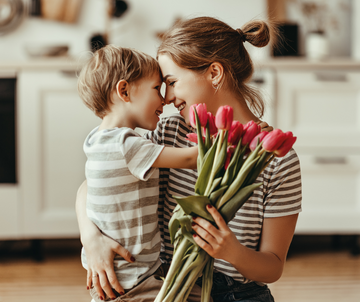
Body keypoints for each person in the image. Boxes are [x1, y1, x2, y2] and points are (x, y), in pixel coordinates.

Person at [76, 17, 302, 302]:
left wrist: (231, 250)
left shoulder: (276, 159)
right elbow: (95, 182)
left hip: (236, 294)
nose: (167, 98)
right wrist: (91, 238)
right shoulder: (169, 132)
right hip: (166, 285)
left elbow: (272, 267)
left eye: (171, 82)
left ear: (214, 73)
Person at [77, 45, 199, 302]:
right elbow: (190, 158)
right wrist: (240, 136)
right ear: (124, 91)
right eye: (157, 88)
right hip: (133, 280)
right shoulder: (127, 145)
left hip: (121, 275)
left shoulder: (96, 139)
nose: (165, 99)